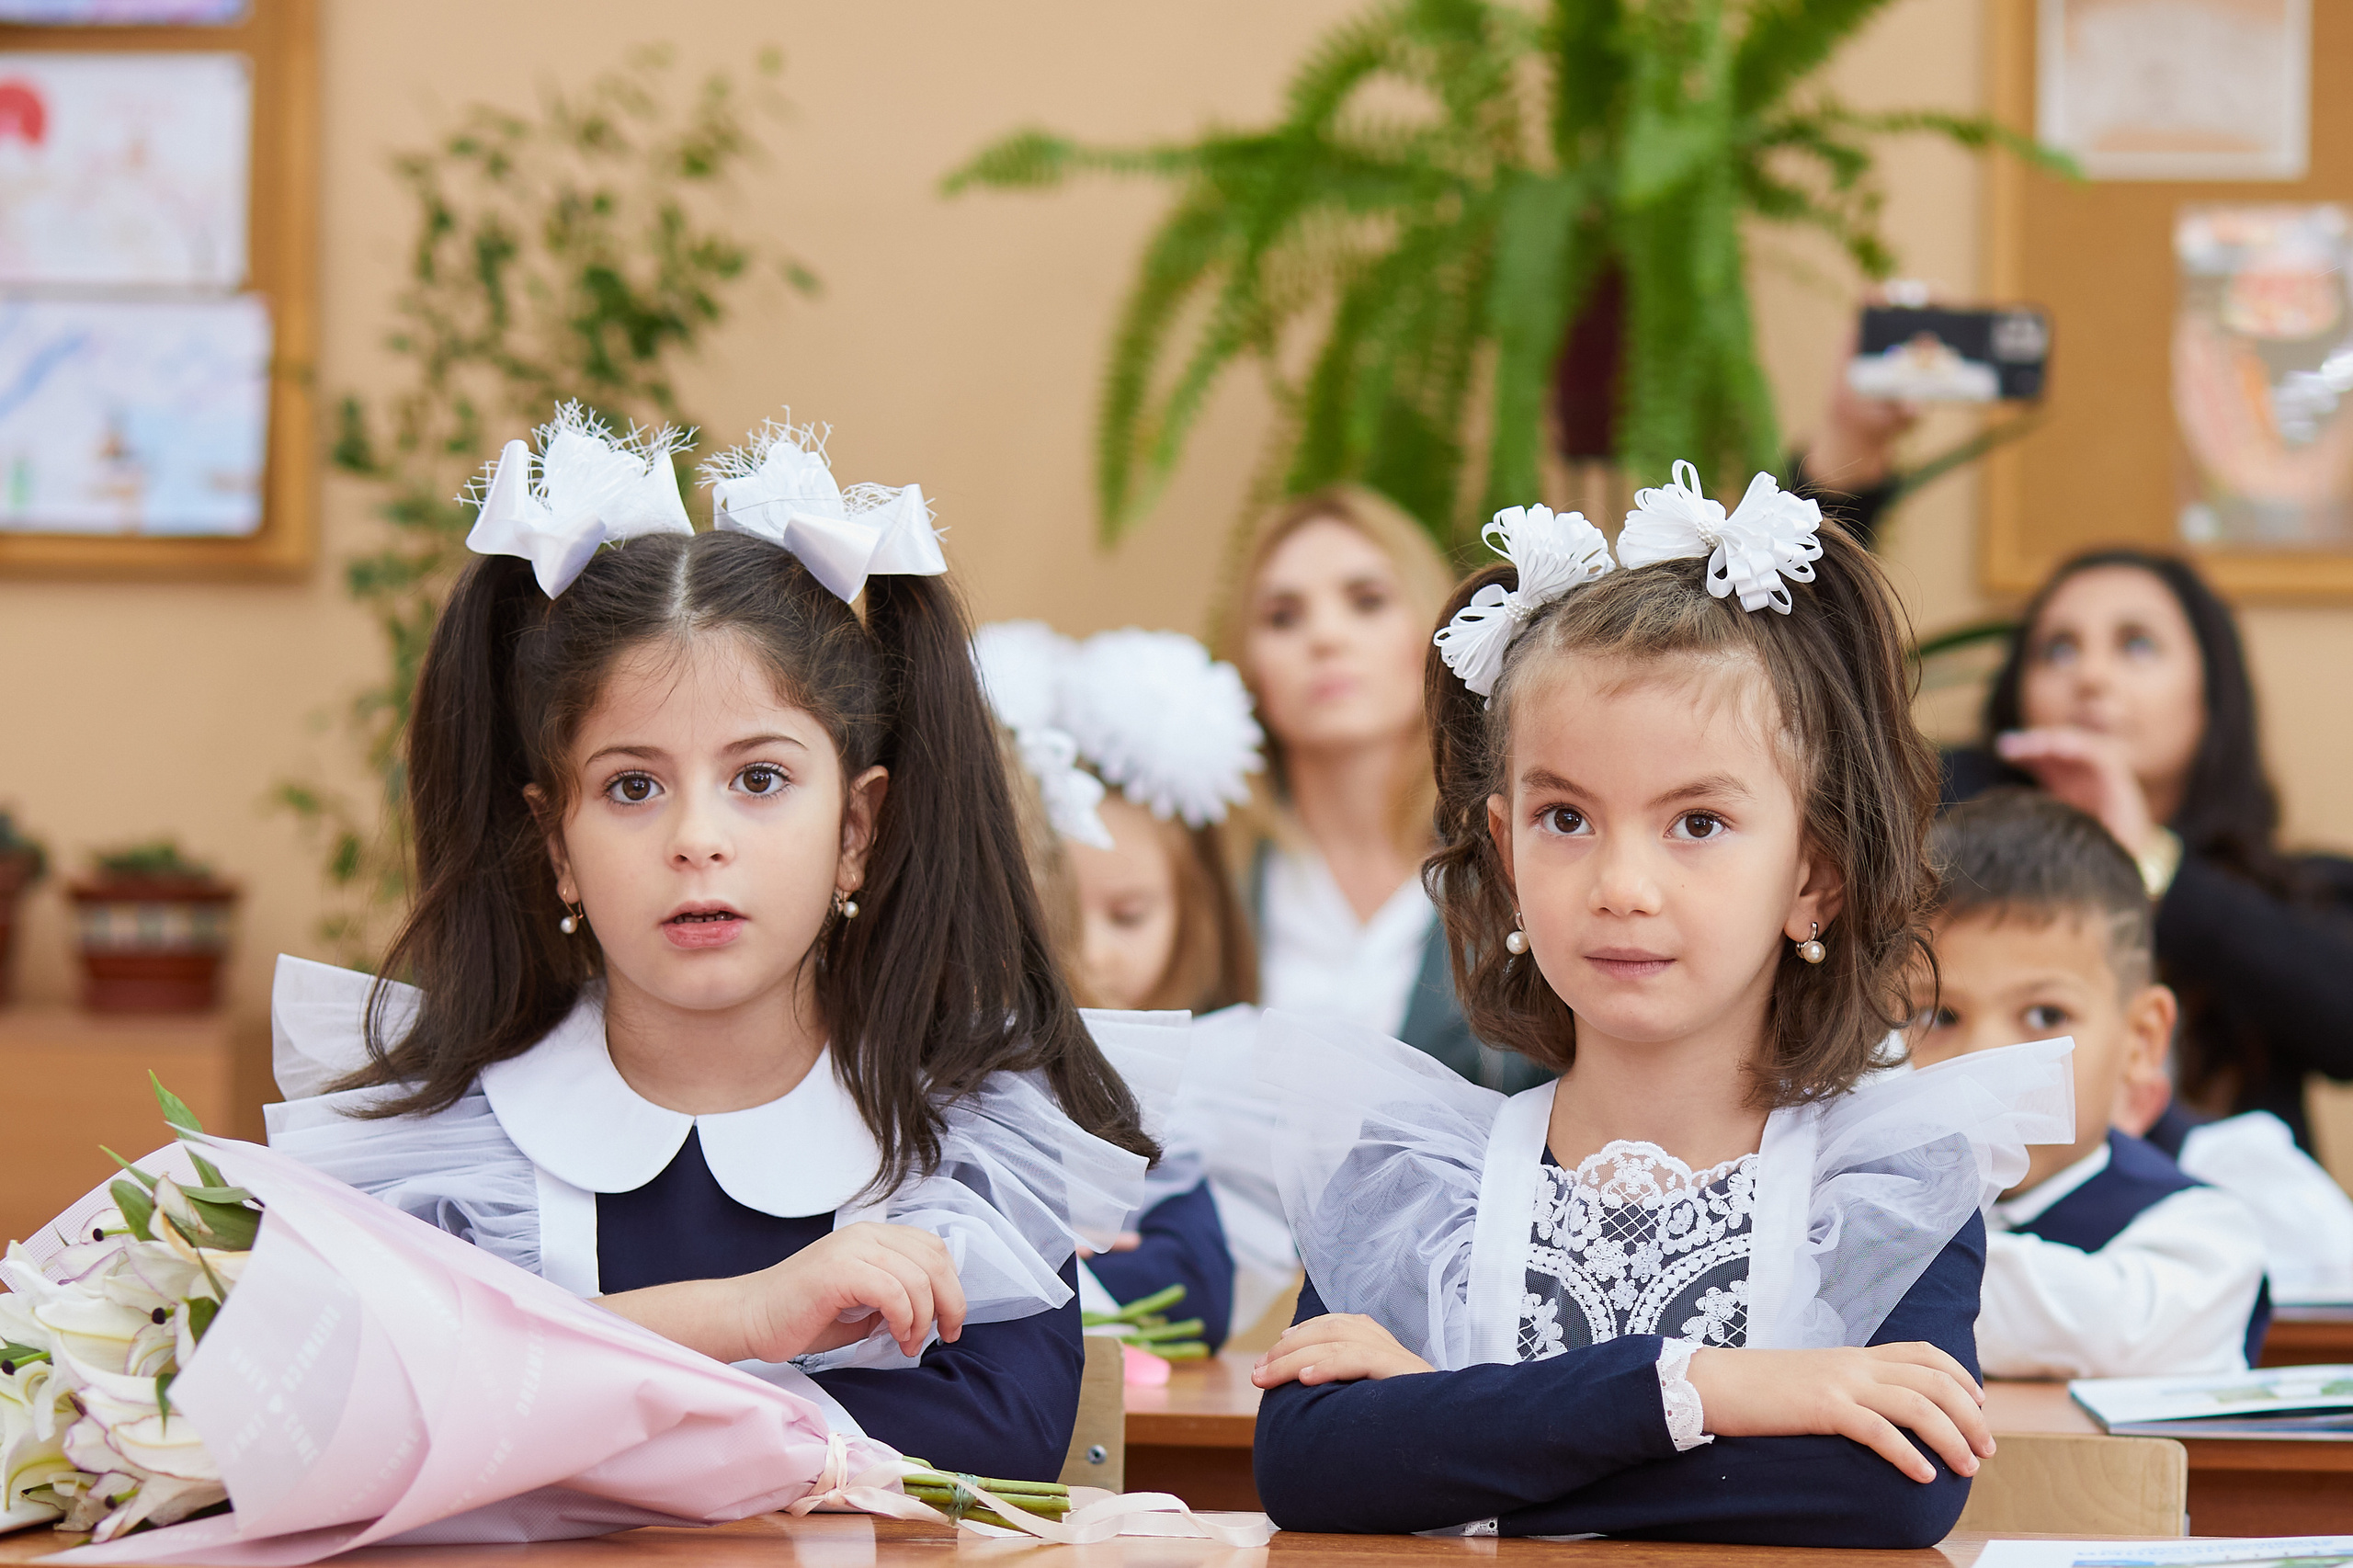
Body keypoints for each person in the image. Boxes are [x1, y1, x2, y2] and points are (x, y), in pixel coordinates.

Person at [266, 408, 1159, 1482]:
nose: (697, 840)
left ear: (856, 831)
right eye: (631, 786)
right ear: (557, 842)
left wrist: (574, 1375)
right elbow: (376, 1406)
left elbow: (994, 1435)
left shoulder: (966, 1129)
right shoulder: (445, 1141)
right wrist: (741, 1316)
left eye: (760, 779)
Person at [1248, 470, 2073, 1545]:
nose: (1620, 884)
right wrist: (1720, 1390)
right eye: (1563, 816)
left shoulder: (1886, 1180)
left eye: (1695, 822)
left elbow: (1886, 1487)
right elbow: (1313, 1463)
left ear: (1812, 874)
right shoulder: (1416, 1177)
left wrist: (1450, 1427)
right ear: (1501, 855)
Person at [1946, 547, 2353, 1150]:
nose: (2090, 677)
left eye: (2136, 645)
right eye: (2058, 649)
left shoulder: (2298, 893)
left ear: (2209, 693)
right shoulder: (1943, 830)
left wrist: (2148, 858)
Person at [972, 619, 1269, 1347]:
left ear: (1188, 910)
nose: (1090, 951)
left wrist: (1064, 1277)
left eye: (1129, 914)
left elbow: (1195, 1289)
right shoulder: (959, 1073)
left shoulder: (1177, 1097)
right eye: (1056, 916)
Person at [1908, 790, 2270, 1378]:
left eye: (2046, 1016)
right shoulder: (1854, 1194)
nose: (1985, 1060)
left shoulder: (2201, 1235)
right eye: (1937, 1017)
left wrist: (1865, 1252)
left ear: (2141, 1041)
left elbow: (2114, 1331)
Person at [1220, 486, 1548, 1093]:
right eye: (1282, 616)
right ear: (1248, 665)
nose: (1325, 638)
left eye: (1367, 601)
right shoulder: (1215, 874)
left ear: (1436, 634)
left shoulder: (1515, 860)